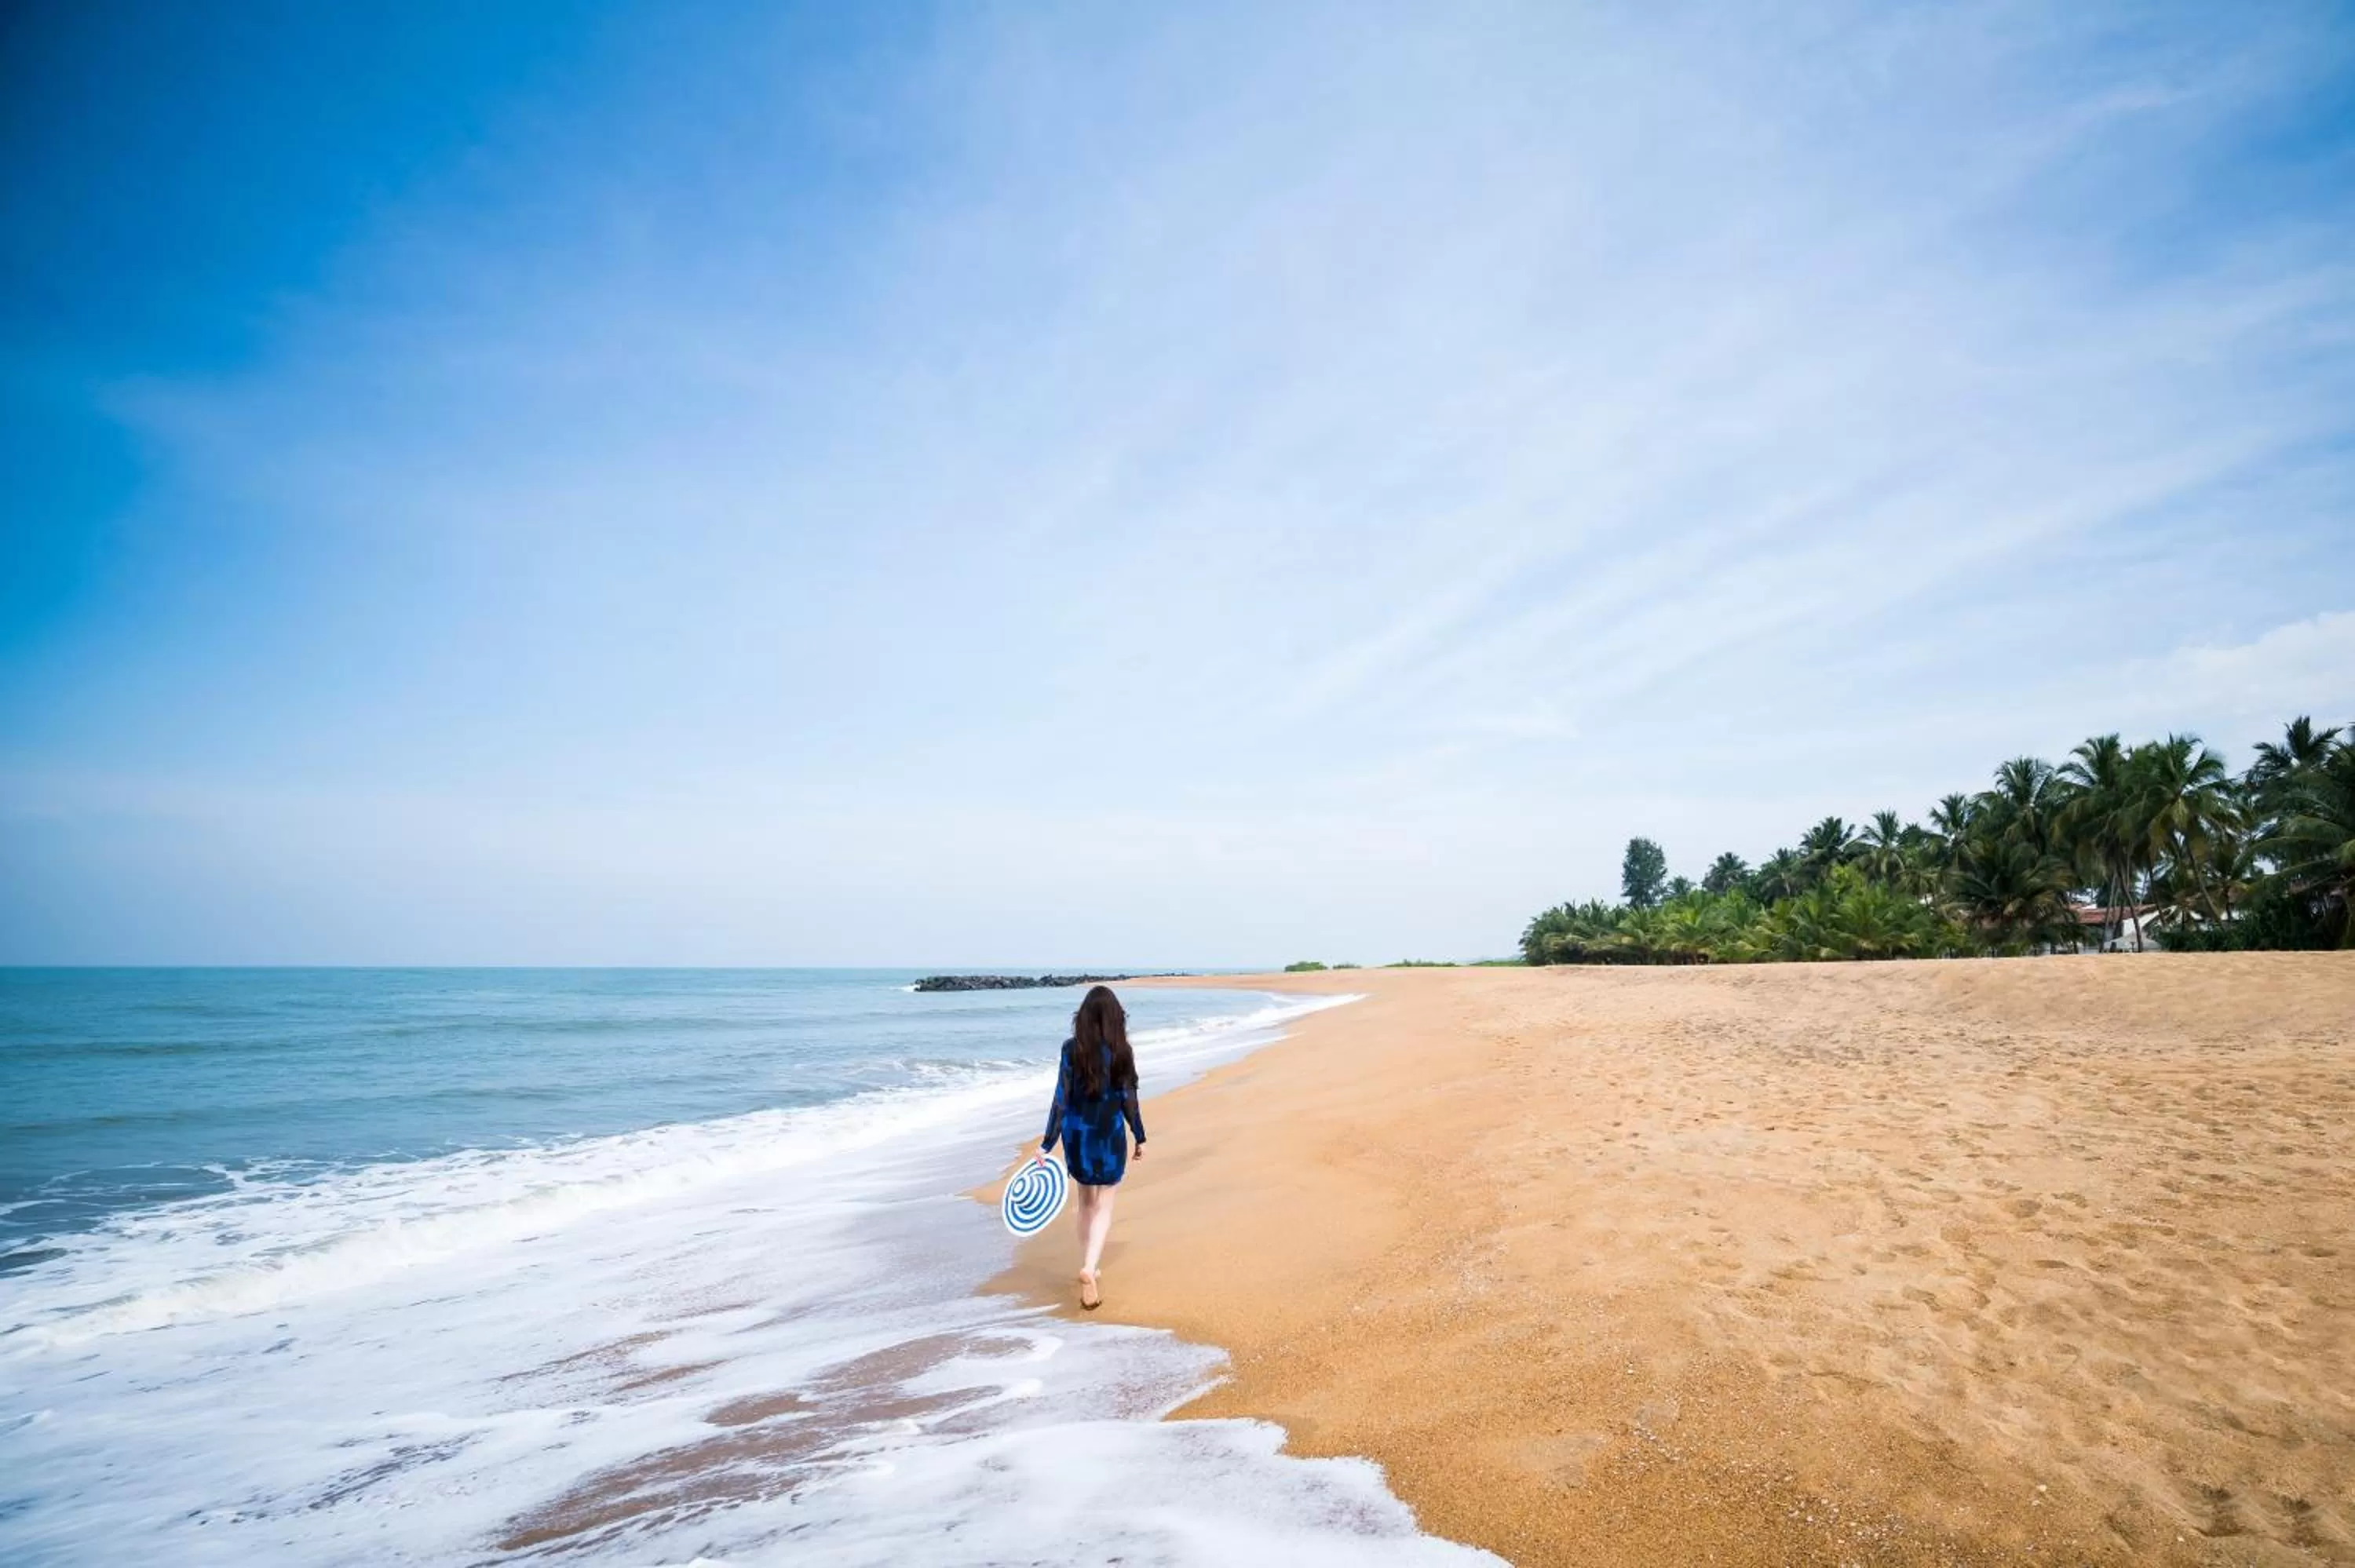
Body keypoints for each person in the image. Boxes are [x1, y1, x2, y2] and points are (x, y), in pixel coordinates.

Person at [1039, 984, 1145, 1309]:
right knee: (1106, 1206)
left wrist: (1047, 1144)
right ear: (1116, 1018)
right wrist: (1139, 1136)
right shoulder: (1122, 1050)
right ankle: (1089, 1267)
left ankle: (1089, 1263)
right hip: (1110, 1135)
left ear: (1082, 1017)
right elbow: (1129, 1099)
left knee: (1086, 1202)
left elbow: (1061, 1098)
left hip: (1079, 1137)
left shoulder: (1072, 1049)